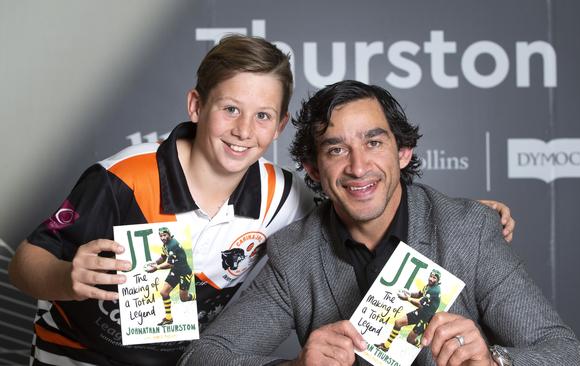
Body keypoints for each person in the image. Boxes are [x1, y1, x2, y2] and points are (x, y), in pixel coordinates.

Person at [9, 36, 514, 365]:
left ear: (280, 123)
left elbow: (360, 202)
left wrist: (459, 215)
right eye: (230, 109)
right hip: (77, 356)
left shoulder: (283, 194)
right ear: (196, 105)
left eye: (263, 116)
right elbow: (26, 263)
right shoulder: (125, 177)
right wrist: (66, 278)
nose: (243, 131)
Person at [179, 80, 580, 366]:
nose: (359, 167)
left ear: (403, 152)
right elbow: (204, 357)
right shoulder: (295, 253)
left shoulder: (470, 231)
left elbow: (566, 353)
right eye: (336, 149)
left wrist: (493, 361)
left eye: (374, 143)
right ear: (313, 169)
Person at [376, 269, 442, 352]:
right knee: (398, 322)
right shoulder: (429, 286)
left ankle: (421, 348)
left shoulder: (435, 290)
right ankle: (386, 346)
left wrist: (407, 298)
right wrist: (409, 293)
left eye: (434, 278)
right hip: (421, 312)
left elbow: (419, 304)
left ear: (438, 280)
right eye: (431, 276)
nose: (431, 279)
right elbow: (419, 294)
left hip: (426, 319)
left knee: (410, 339)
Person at [145, 227, 195, 326]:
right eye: (161, 236)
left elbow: (169, 264)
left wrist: (156, 268)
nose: (163, 237)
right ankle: (168, 318)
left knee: (183, 298)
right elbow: (163, 257)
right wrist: (154, 263)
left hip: (184, 273)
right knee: (164, 292)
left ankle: (195, 296)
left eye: (165, 235)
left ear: (169, 234)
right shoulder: (165, 245)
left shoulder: (173, 245)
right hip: (176, 271)